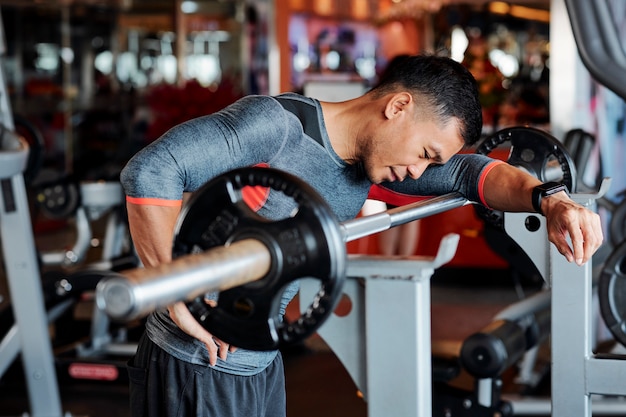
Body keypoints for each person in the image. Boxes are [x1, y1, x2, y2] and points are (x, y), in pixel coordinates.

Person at [119, 54, 603, 417]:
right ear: (398, 106)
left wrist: (551, 200)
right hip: (196, 363)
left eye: (428, 164)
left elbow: (471, 175)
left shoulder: (367, 165)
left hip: (261, 361)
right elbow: (152, 171)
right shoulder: (275, 126)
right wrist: (176, 299)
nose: (418, 171)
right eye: (425, 152)